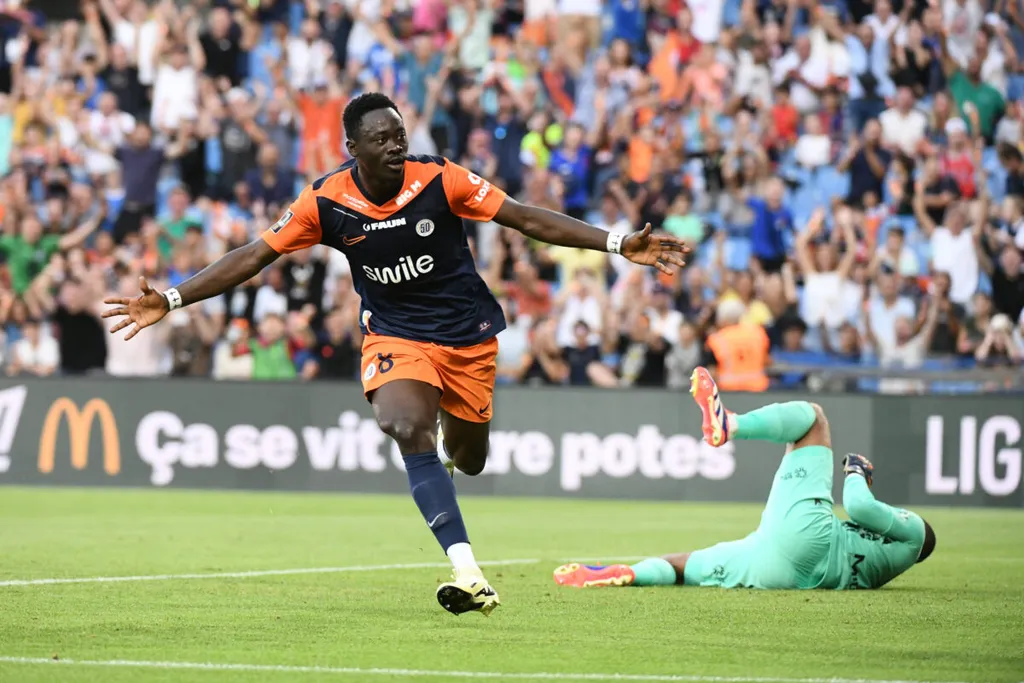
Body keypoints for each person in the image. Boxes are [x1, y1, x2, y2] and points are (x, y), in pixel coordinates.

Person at [101, 92, 689, 616]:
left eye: (400, 135)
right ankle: (469, 571)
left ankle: (451, 455)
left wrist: (616, 242)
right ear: (352, 147)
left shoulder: (441, 179)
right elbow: (255, 255)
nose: (394, 146)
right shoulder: (325, 201)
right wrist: (174, 297)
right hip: (395, 336)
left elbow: (525, 217)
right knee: (405, 423)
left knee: (471, 456)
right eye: (381, 139)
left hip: (467, 336)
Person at [553, 366, 937, 590]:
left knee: (814, 419)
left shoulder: (916, 535)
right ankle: (631, 573)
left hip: (808, 537)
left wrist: (857, 470)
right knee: (683, 567)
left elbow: (859, 505)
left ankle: (729, 424)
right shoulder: (887, 567)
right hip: (779, 572)